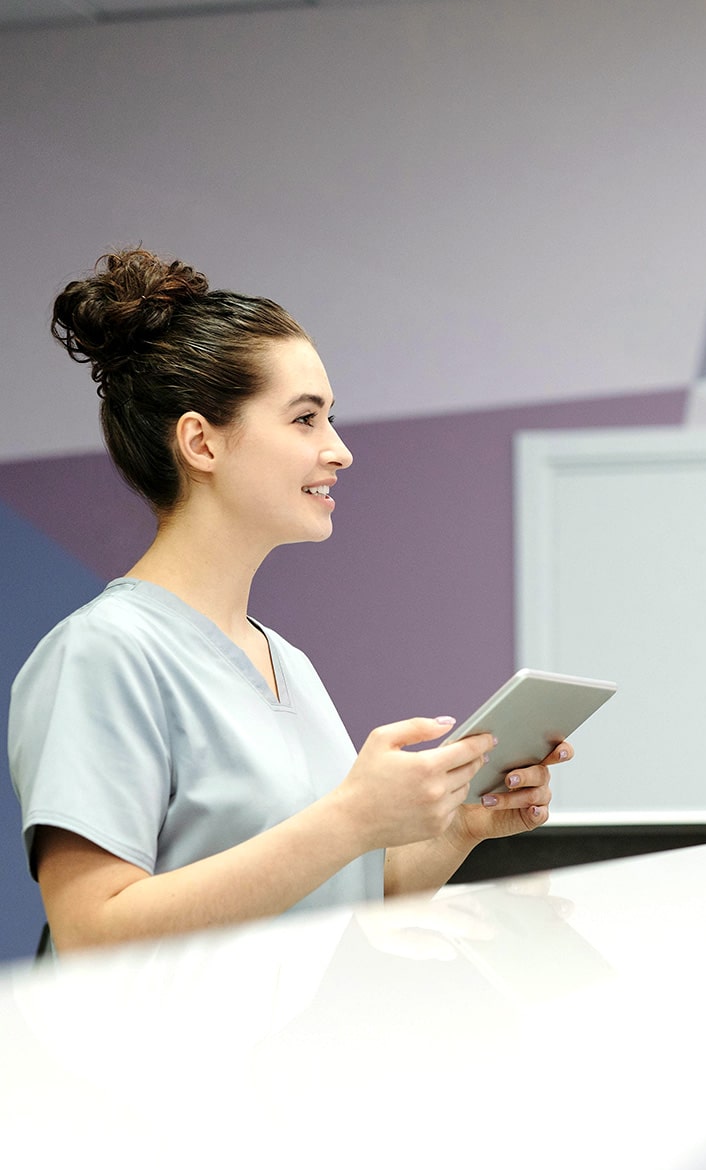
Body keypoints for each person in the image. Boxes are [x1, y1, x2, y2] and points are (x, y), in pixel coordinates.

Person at [9, 248, 568, 954]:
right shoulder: (103, 653)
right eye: (305, 419)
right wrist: (351, 820)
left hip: (281, 1063)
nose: (339, 451)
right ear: (201, 443)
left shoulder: (286, 663)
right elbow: (92, 931)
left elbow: (336, 890)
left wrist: (462, 823)